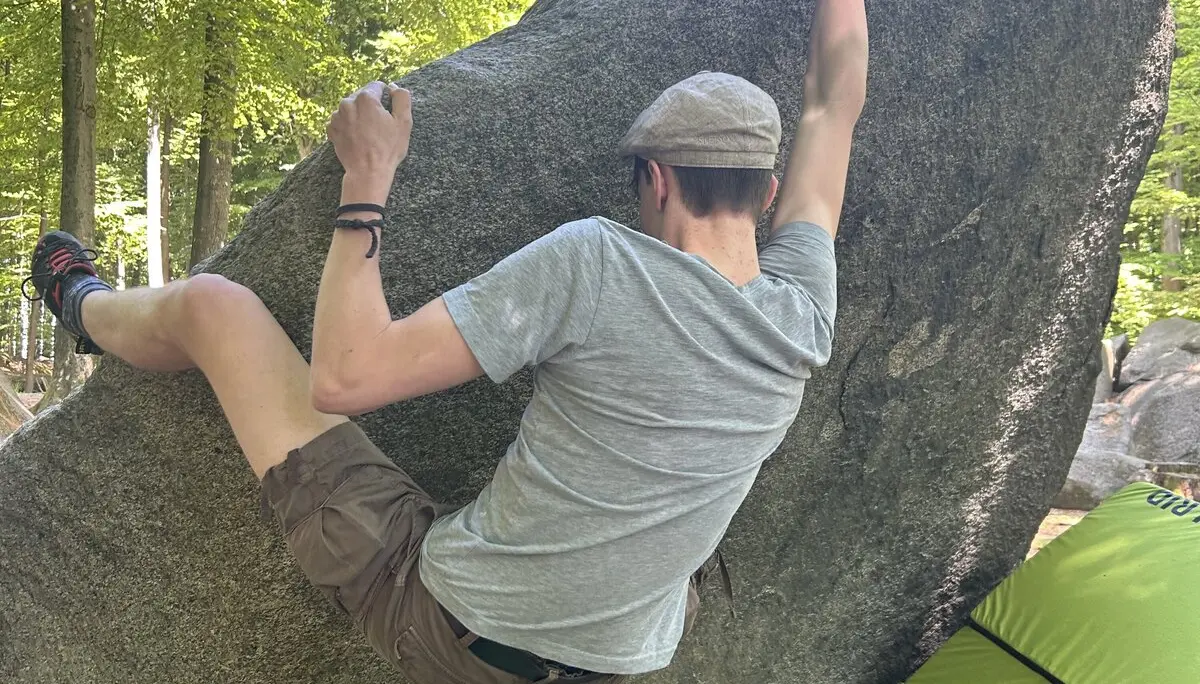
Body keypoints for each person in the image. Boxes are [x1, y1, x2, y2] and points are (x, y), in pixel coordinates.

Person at [22, 0, 867, 680]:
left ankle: (83, 304)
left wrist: (367, 177)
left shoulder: (601, 262)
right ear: (768, 194)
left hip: (450, 632)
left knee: (213, 307)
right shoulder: (804, 312)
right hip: (622, 658)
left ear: (654, 181)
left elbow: (345, 378)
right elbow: (835, 105)